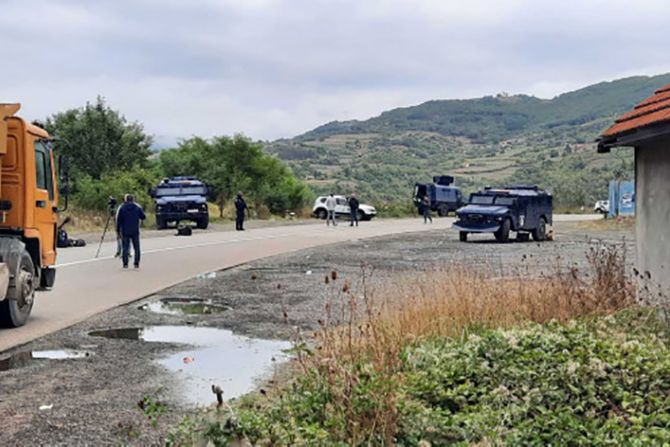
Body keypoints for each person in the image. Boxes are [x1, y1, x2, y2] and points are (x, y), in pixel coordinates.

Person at [116, 194, 146, 268]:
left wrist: (118, 230)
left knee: (125, 247)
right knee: (137, 248)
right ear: (133, 200)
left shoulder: (122, 208)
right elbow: (143, 216)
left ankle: (125, 263)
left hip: (125, 230)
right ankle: (136, 263)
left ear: (126, 199)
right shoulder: (137, 207)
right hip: (135, 230)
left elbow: (118, 220)